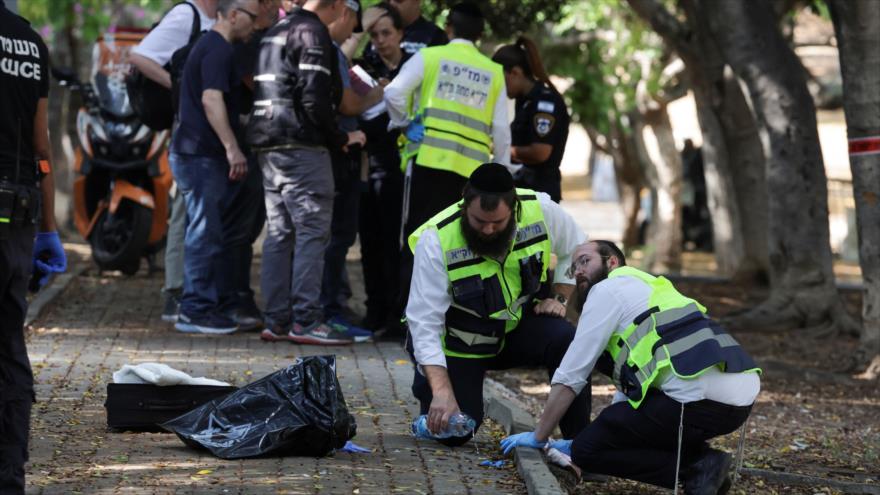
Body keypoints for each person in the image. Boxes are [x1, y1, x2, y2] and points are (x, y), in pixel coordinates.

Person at [500, 240, 761, 494]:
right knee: (607, 429)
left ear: (612, 262)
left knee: (587, 451)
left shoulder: (606, 290)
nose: (577, 270)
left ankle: (697, 468)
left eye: (585, 260)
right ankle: (708, 467)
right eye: (572, 267)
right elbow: (632, 383)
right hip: (739, 403)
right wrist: (608, 432)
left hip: (694, 402)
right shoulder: (649, 288)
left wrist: (539, 436)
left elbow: (572, 372)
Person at [406, 163, 590, 447]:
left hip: (516, 329)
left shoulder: (539, 209)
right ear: (465, 205)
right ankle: (429, 383)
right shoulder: (437, 239)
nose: (489, 230)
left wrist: (560, 298)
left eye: (498, 223)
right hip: (461, 341)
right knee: (457, 431)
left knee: (567, 339)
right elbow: (424, 322)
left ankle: (581, 446)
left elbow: (578, 250)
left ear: (513, 207)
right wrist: (442, 390)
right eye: (480, 222)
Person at [384, 1, 510, 340]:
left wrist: (403, 123)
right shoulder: (493, 71)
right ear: (481, 35)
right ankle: (450, 323)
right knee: (460, 246)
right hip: (470, 175)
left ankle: (405, 323)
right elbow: (501, 131)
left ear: (449, 29)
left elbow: (393, 92)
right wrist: (502, 175)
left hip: (427, 163)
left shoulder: (430, 57)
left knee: (415, 240)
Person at [248, 0, 366, 345]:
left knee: (279, 234)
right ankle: (307, 320)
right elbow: (314, 98)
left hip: (269, 147)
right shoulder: (311, 32)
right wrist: (341, 137)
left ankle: (276, 320)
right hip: (302, 147)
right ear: (341, 7)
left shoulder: (276, 31)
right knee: (313, 232)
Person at [1, 2, 67, 492]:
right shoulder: (30, 43)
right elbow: (41, 146)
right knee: (8, 348)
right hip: (17, 216)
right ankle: (9, 475)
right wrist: (48, 228)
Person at [170, 0, 259, 334]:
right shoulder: (218, 49)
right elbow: (211, 99)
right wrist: (232, 147)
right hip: (200, 155)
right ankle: (195, 309)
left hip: (197, 154)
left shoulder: (212, 46)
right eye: (251, 17)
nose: (254, 24)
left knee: (208, 230)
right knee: (203, 232)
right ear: (233, 14)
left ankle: (203, 305)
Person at [129, 0, 218, 323]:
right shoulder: (186, 14)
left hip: (215, 130)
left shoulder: (224, 14)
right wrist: (181, 88)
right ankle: (176, 290)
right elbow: (139, 56)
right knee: (185, 211)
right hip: (190, 132)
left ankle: (203, 289)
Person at [319, 0, 380, 342]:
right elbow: (346, 103)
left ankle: (331, 307)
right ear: (344, 14)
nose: (352, 33)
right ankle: (329, 310)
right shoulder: (329, 50)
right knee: (337, 237)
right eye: (354, 24)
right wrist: (377, 93)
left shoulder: (322, 47)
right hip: (340, 156)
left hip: (336, 155)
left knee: (335, 238)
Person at [221, 0, 282, 332]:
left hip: (256, 147)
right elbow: (254, 83)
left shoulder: (270, 37)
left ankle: (238, 295)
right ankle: (234, 298)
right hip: (245, 147)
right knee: (240, 229)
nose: (273, 6)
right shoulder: (247, 44)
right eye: (266, 1)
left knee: (250, 228)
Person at [354, 3, 410, 333]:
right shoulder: (364, 67)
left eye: (386, 33)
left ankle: (395, 313)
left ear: (401, 34)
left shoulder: (414, 67)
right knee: (370, 244)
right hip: (368, 165)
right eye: (374, 34)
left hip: (401, 171)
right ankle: (374, 310)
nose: (380, 40)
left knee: (395, 245)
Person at [492, 36, 570, 203]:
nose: (498, 87)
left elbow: (540, 152)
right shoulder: (524, 101)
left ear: (515, 73)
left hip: (539, 191)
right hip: (524, 187)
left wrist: (503, 149)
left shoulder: (545, 103)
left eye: (500, 80)